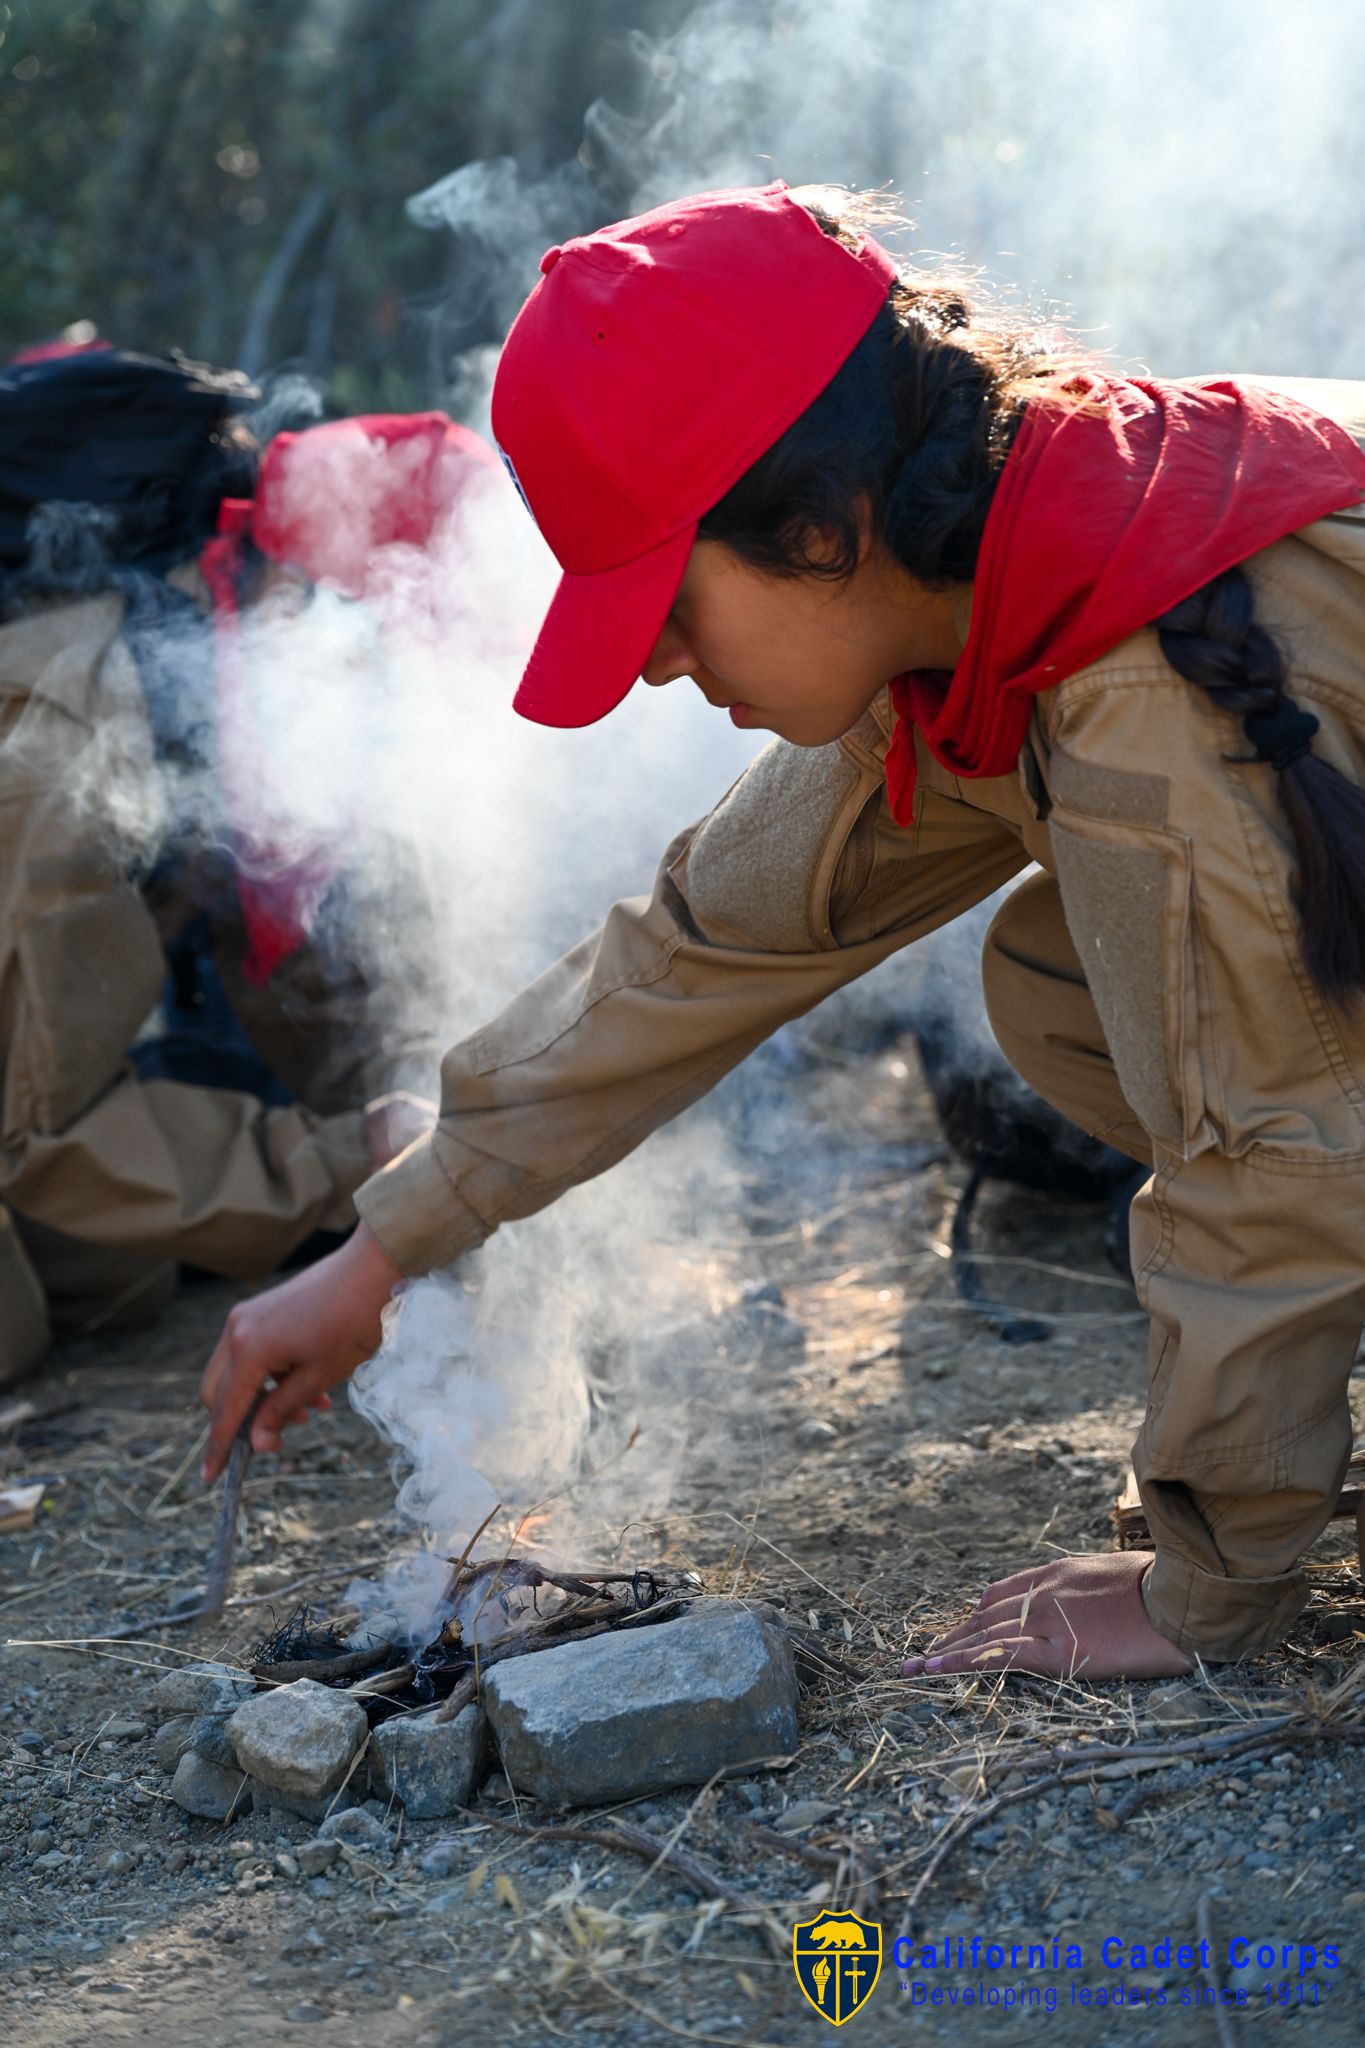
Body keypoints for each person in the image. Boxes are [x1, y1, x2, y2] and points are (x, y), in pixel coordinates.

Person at [199, 182, 1365, 1681]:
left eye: (669, 612)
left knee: (1120, 984)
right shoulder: (1014, 577)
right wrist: (384, 1250)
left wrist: (1200, 1584)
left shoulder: (1144, 688)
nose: (656, 671)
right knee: (1056, 974)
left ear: (818, 524)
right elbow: (702, 944)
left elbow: (1271, 1159)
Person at [0, 345, 495, 1381]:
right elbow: (39, 1140)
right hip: (30, 1133)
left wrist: (444, 1125)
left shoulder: (214, 655)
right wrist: (349, 1156)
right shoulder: (60, 724)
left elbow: (317, 968)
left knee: (128, 1254)